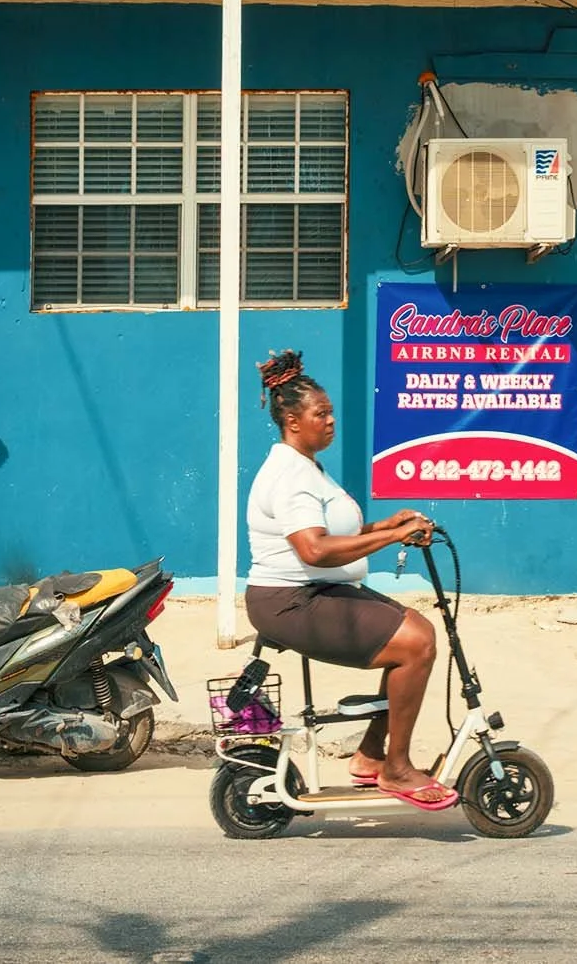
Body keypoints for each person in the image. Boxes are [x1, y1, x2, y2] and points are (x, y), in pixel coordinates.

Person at [244, 348, 456, 811]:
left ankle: (370, 757)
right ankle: (396, 769)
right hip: (291, 601)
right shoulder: (292, 477)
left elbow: (332, 533)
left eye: (331, 412)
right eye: (321, 414)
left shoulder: (306, 467)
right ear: (293, 422)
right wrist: (394, 537)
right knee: (416, 642)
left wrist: (384, 526)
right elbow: (314, 549)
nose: (331, 421)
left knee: (414, 632)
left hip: (315, 591)